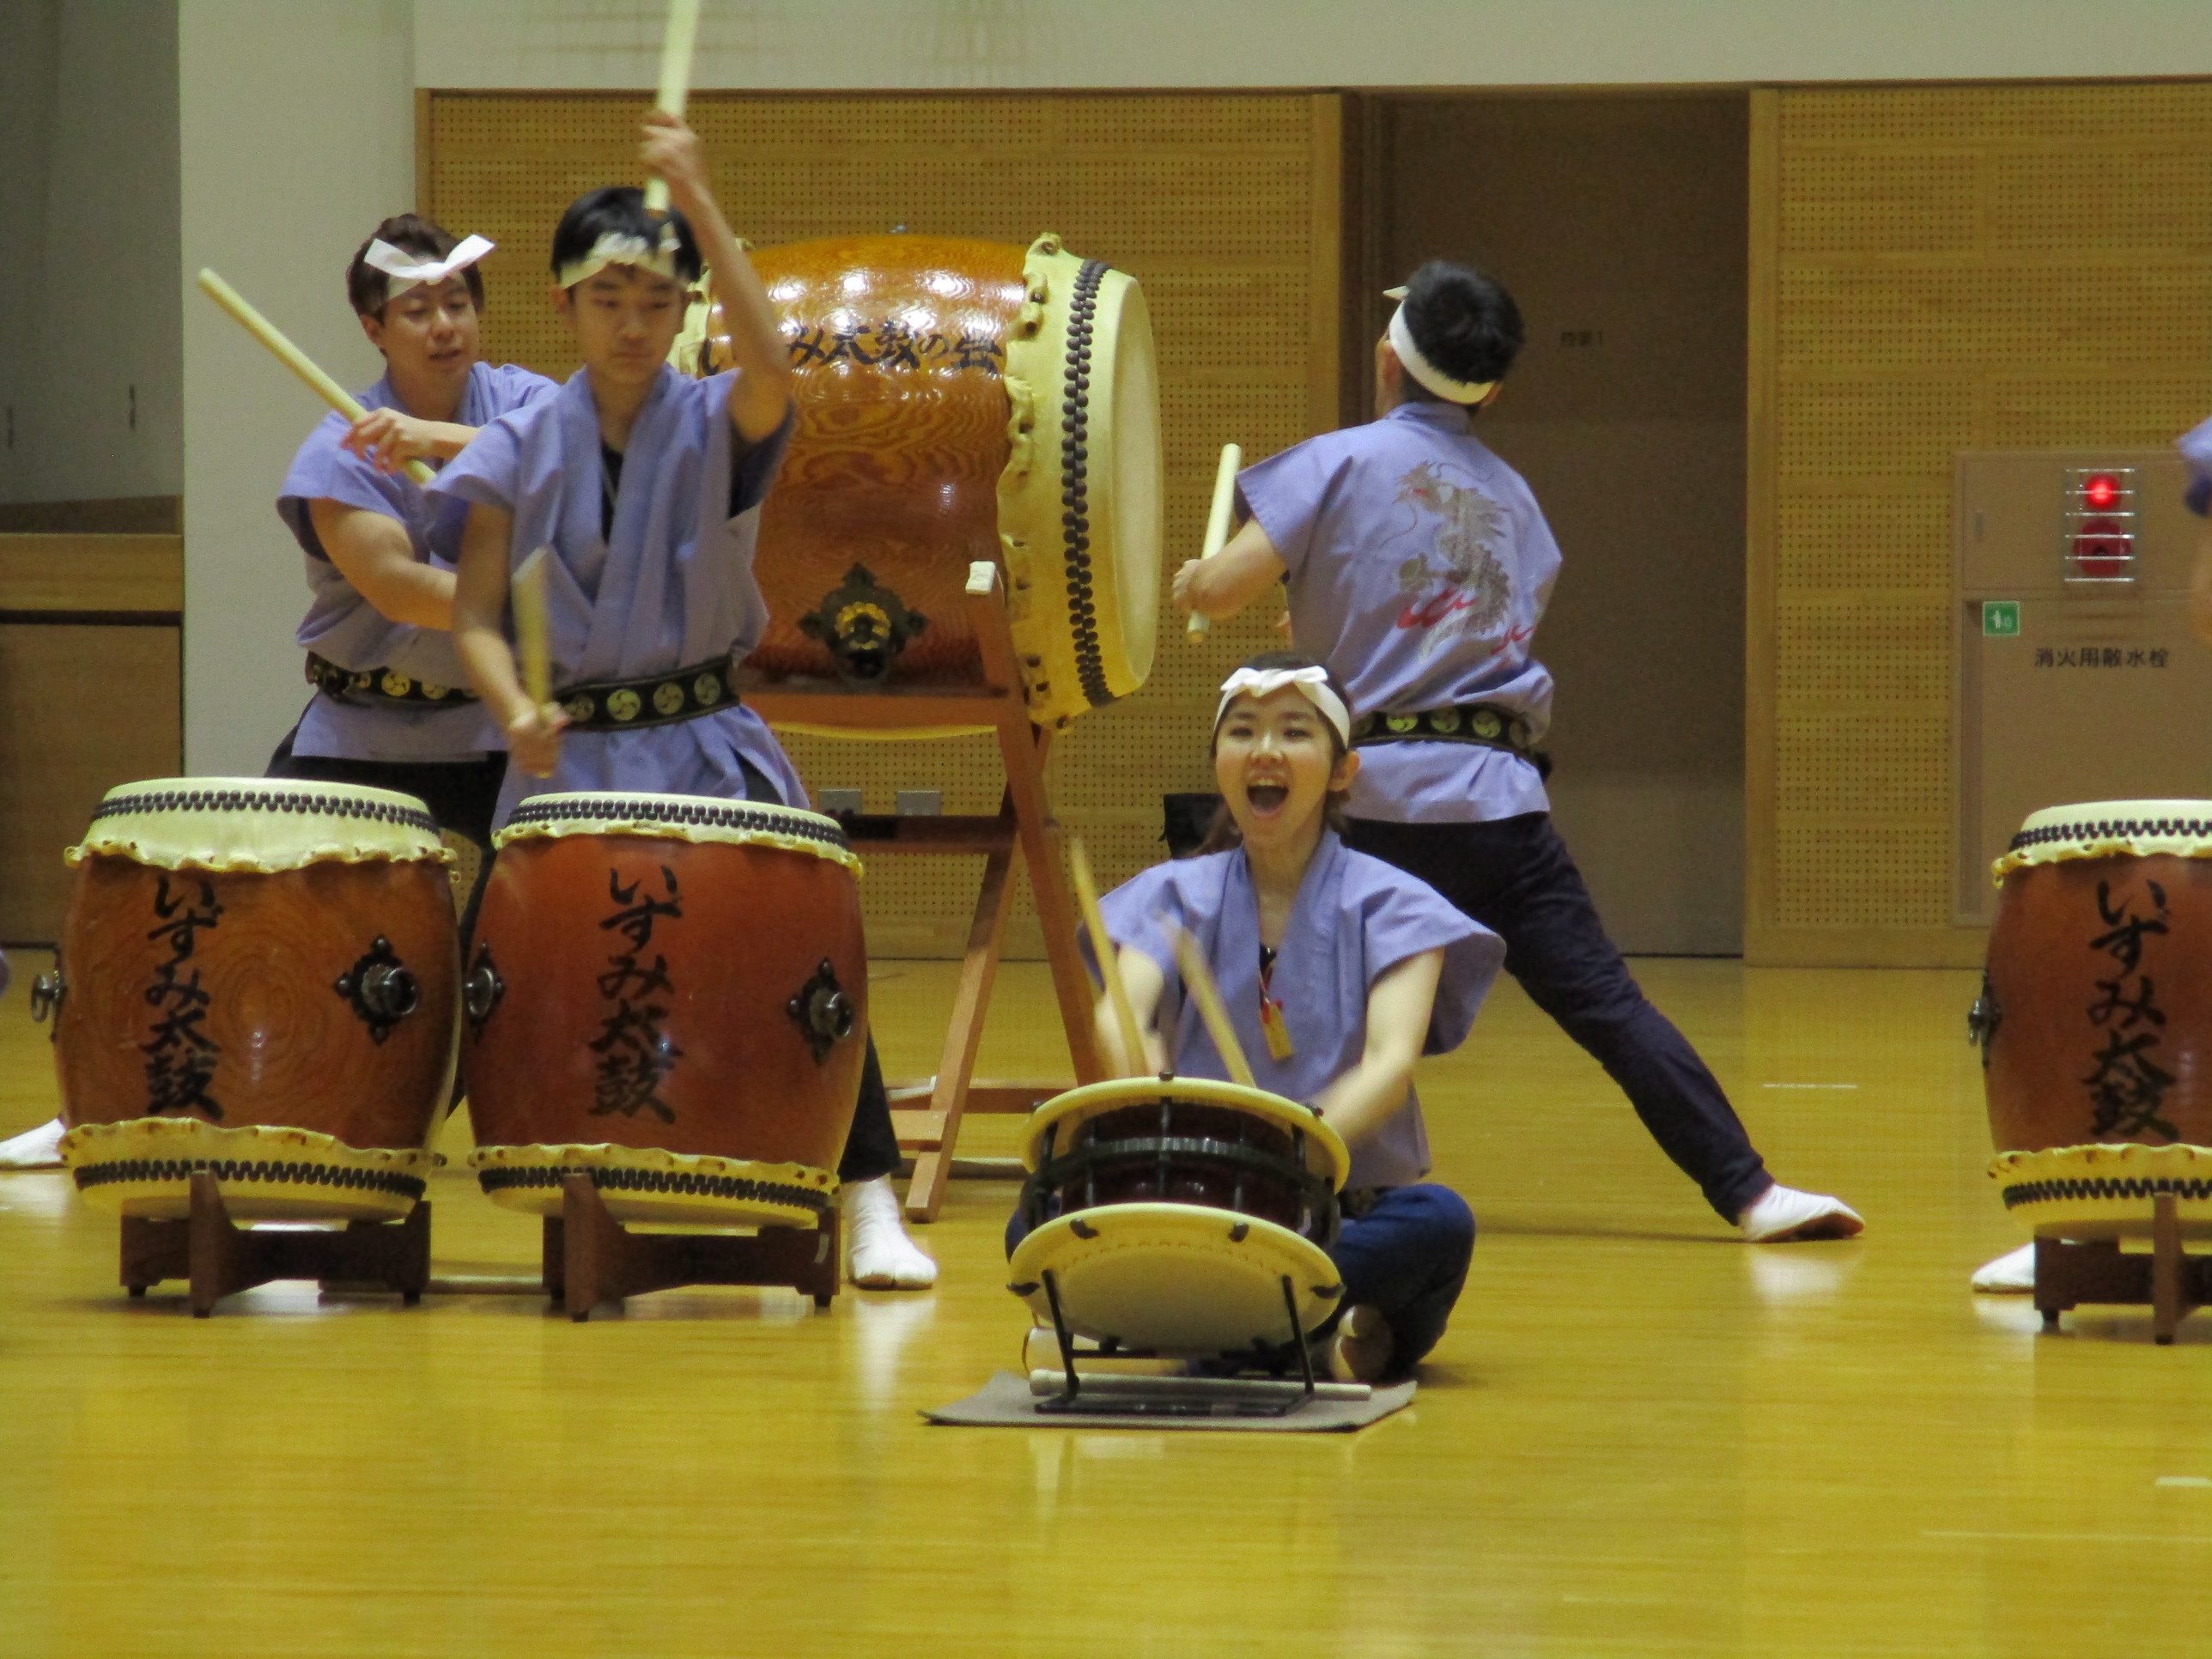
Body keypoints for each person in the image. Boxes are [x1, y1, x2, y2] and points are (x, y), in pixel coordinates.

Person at [1174, 260, 1861, 1244]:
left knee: (1238, 962)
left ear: (1385, 362)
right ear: (1490, 390)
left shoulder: (1333, 462)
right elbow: (1449, 624)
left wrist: (1197, 579)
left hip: (1368, 806)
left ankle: (1227, 1173)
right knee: (1605, 1003)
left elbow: (1225, 596)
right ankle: (1748, 1190)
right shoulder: (1516, 501)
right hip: (1499, 803)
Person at [431, 113, 933, 1289]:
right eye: (609, 299)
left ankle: (866, 1198)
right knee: (488, 975)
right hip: (571, 765)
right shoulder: (512, 448)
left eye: (658, 301)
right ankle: (384, 1174)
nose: (633, 323)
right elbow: (469, 619)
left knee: (807, 964)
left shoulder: (716, 420)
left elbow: (773, 365)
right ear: (565, 309)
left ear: (684, 311)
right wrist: (512, 709)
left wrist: (698, 196)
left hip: (706, 743)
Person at [0, 216, 549, 1170]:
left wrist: (450, 441)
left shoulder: (526, 404)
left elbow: (588, 454)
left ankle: (386, 1138)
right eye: (416, 308)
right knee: (226, 914)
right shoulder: (338, 448)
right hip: (361, 731)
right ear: (375, 329)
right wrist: (551, 599)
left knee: (510, 944)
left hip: (495, 734)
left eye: (457, 302)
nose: (444, 324)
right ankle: (107, 1108)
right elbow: (399, 588)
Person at [1011, 655, 1504, 1381]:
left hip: (1335, 1208)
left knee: (1436, 1225)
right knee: (1036, 1212)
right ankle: (1296, 1329)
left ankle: (1181, 1323)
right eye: (1242, 731)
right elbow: (1123, 1018)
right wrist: (1154, 1106)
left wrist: (1287, 1163)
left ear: (1342, 771)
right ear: (1220, 763)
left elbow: (1389, 1065)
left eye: (1294, 732)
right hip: (1188, 1201)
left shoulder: (1397, 905)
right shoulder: (1171, 895)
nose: (1265, 750)